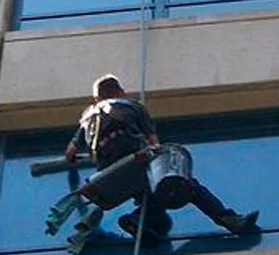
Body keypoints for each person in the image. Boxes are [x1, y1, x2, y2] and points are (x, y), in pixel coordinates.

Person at [65, 74, 259, 243]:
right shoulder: (132, 106)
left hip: (108, 171)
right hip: (136, 159)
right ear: (122, 91)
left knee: (151, 197)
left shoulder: (87, 117)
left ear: (96, 98)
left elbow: (70, 153)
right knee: (186, 185)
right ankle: (230, 220)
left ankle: (141, 221)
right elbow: (154, 144)